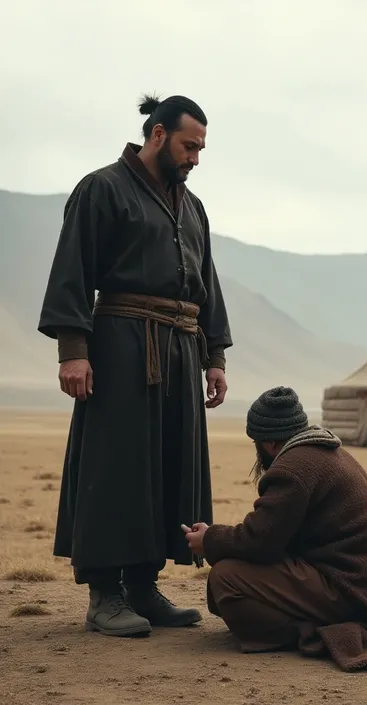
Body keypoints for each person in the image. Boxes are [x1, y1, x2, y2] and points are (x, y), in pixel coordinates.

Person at [38, 93, 232, 637]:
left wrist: (213, 357)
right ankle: (104, 594)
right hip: (122, 347)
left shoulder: (192, 208)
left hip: (181, 348)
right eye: (190, 146)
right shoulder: (102, 188)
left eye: (201, 148)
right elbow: (73, 269)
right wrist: (73, 352)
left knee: (169, 465)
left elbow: (206, 285)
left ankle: (143, 587)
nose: (196, 157)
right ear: (158, 135)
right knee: (116, 464)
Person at [183, 387, 367, 671]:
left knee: (227, 577)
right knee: (233, 577)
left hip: (348, 591)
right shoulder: (325, 452)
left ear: (269, 443)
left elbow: (259, 541)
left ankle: (305, 631)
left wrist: (209, 539)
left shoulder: (294, 468)